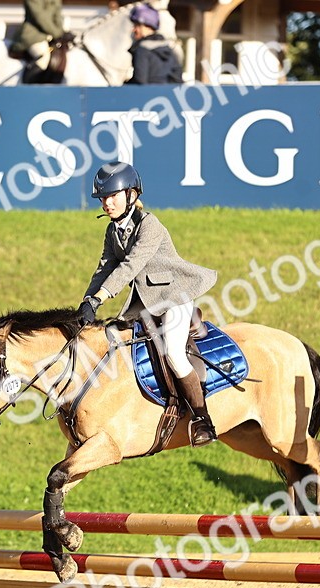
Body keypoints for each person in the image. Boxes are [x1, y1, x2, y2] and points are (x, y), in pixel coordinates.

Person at [77, 162, 218, 446]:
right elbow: (105, 268)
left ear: (131, 194)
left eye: (112, 196)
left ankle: (203, 420)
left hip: (173, 297)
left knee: (176, 356)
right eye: (103, 198)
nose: (107, 203)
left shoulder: (149, 225)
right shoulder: (113, 231)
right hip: (143, 304)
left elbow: (130, 267)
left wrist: (102, 298)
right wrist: (87, 301)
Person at [10, 0, 67, 83]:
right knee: (43, 57)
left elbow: (57, 17)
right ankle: (28, 87)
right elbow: (40, 18)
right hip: (33, 36)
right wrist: (57, 33)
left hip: (51, 37)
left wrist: (62, 32)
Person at [125, 4, 183, 85]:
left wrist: (123, 87)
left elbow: (139, 82)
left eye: (137, 25)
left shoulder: (142, 51)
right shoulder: (170, 51)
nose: (134, 30)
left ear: (148, 26)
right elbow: (178, 81)